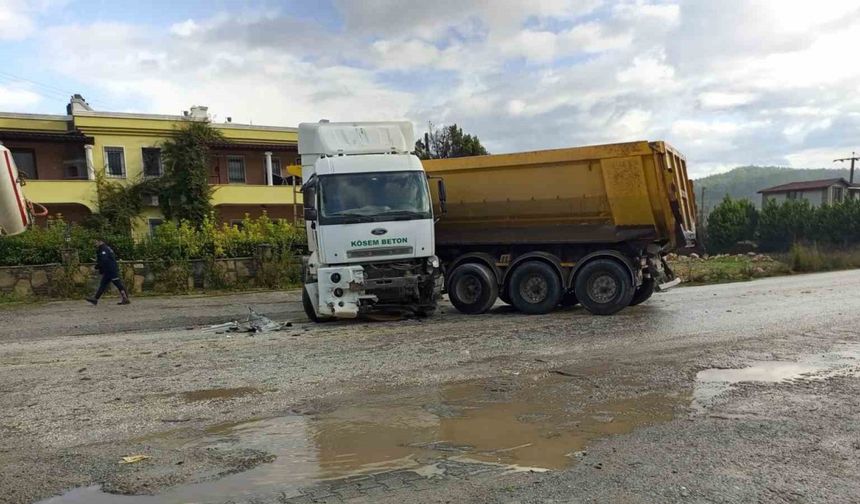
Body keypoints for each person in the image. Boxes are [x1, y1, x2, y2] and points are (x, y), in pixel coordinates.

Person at [86, 239, 130, 306]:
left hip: (111, 269)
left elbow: (104, 259)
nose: (95, 244)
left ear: (100, 241)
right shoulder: (106, 248)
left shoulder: (104, 248)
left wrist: (98, 266)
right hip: (108, 270)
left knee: (117, 283)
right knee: (103, 285)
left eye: (96, 242)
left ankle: (125, 298)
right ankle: (95, 299)